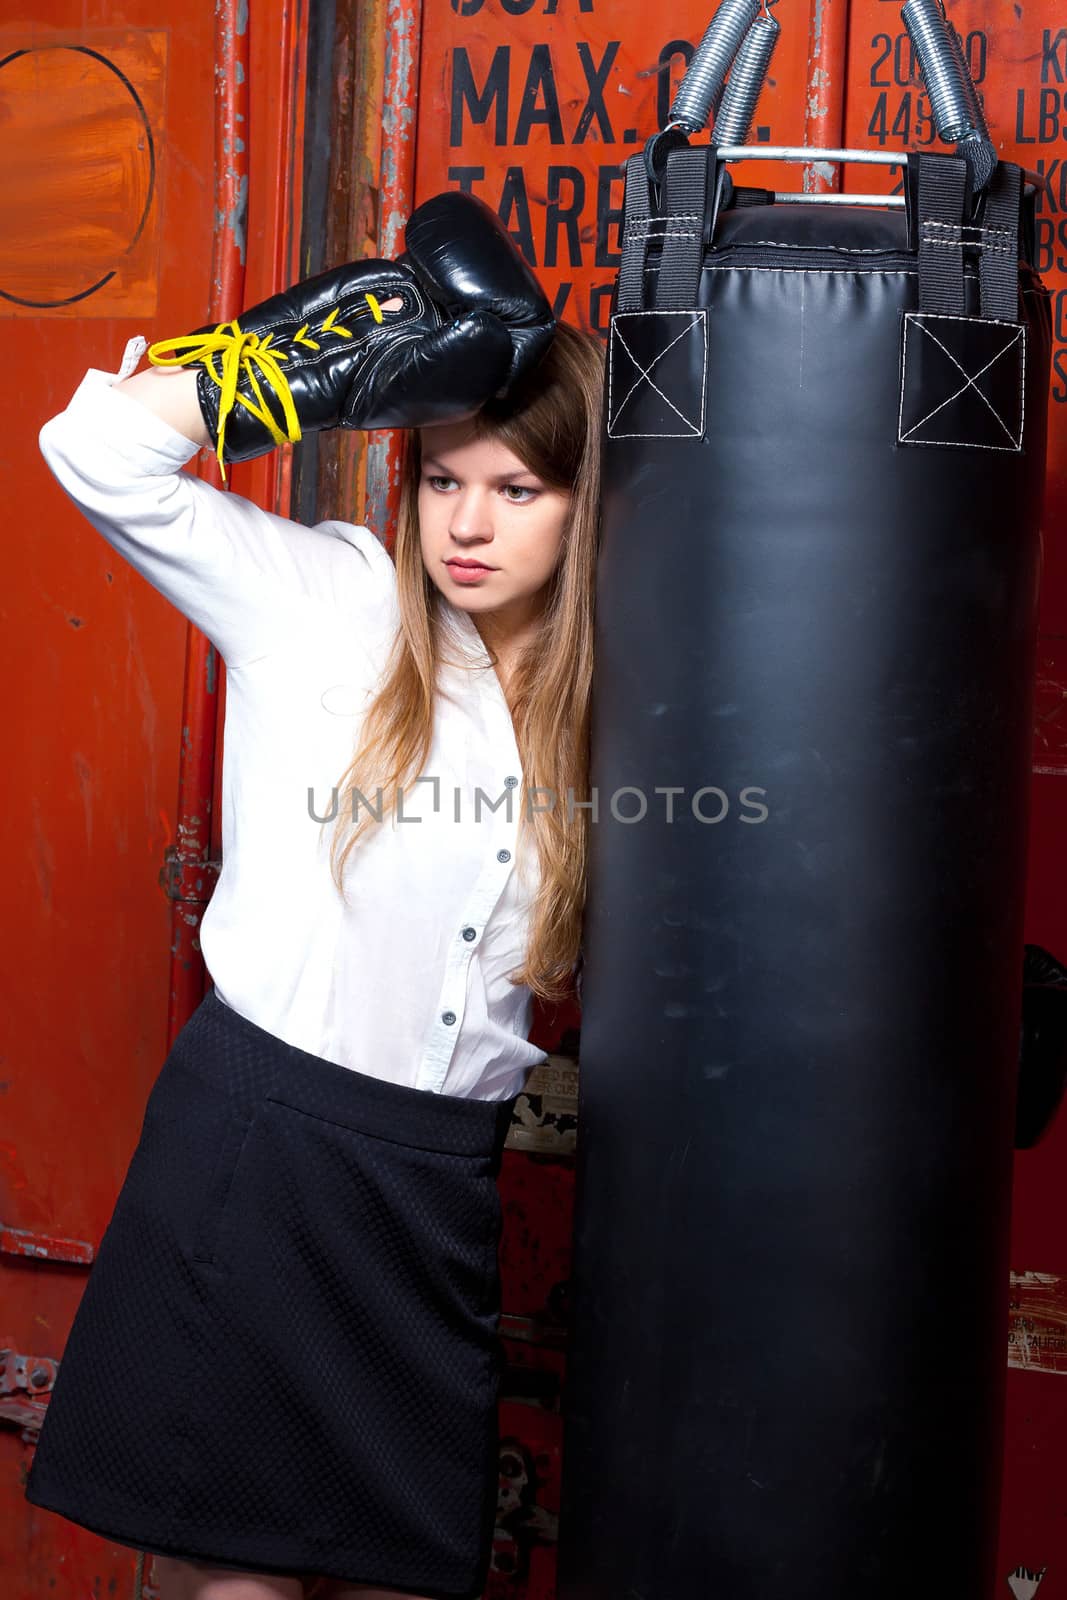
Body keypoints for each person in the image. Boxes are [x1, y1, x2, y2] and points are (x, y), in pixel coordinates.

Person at [22, 191, 604, 1600]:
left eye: (517, 489)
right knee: (232, 1584)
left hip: (436, 1189)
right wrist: (309, 359)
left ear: (588, 506)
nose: (466, 525)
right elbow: (93, 450)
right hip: (264, 1150)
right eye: (440, 478)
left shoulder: (616, 714)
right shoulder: (328, 602)